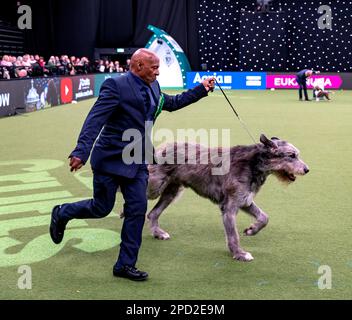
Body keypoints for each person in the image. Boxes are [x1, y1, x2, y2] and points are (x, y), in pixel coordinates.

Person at [49, 48, 215, 281]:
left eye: (158, 67)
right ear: (138, 66)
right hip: (110, 160)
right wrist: (81, 150)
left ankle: (125, 265)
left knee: (137, 209)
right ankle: (62, 212)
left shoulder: (154, 86)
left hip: (138, 160)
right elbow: (95, 119)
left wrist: (202, 89)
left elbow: (173, 102)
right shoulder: (115, 86)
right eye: (154, 67)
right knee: (101, 208)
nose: (158, 72)